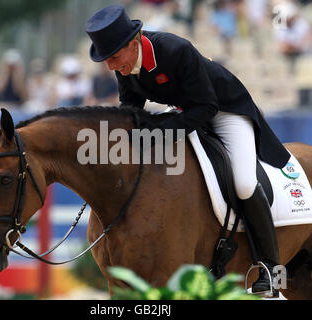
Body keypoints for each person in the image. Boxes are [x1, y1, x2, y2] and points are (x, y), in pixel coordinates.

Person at [85, 4, 292, 296]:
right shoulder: (125, 64)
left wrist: (162, 129)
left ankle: (271, 269)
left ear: (134, 42)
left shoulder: (174, 50)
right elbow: (131, 108)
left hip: (226, 110)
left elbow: (206, 107)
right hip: (186, 110)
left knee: (244, 183)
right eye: (106, 59)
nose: (110, 66)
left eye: (114, 57)